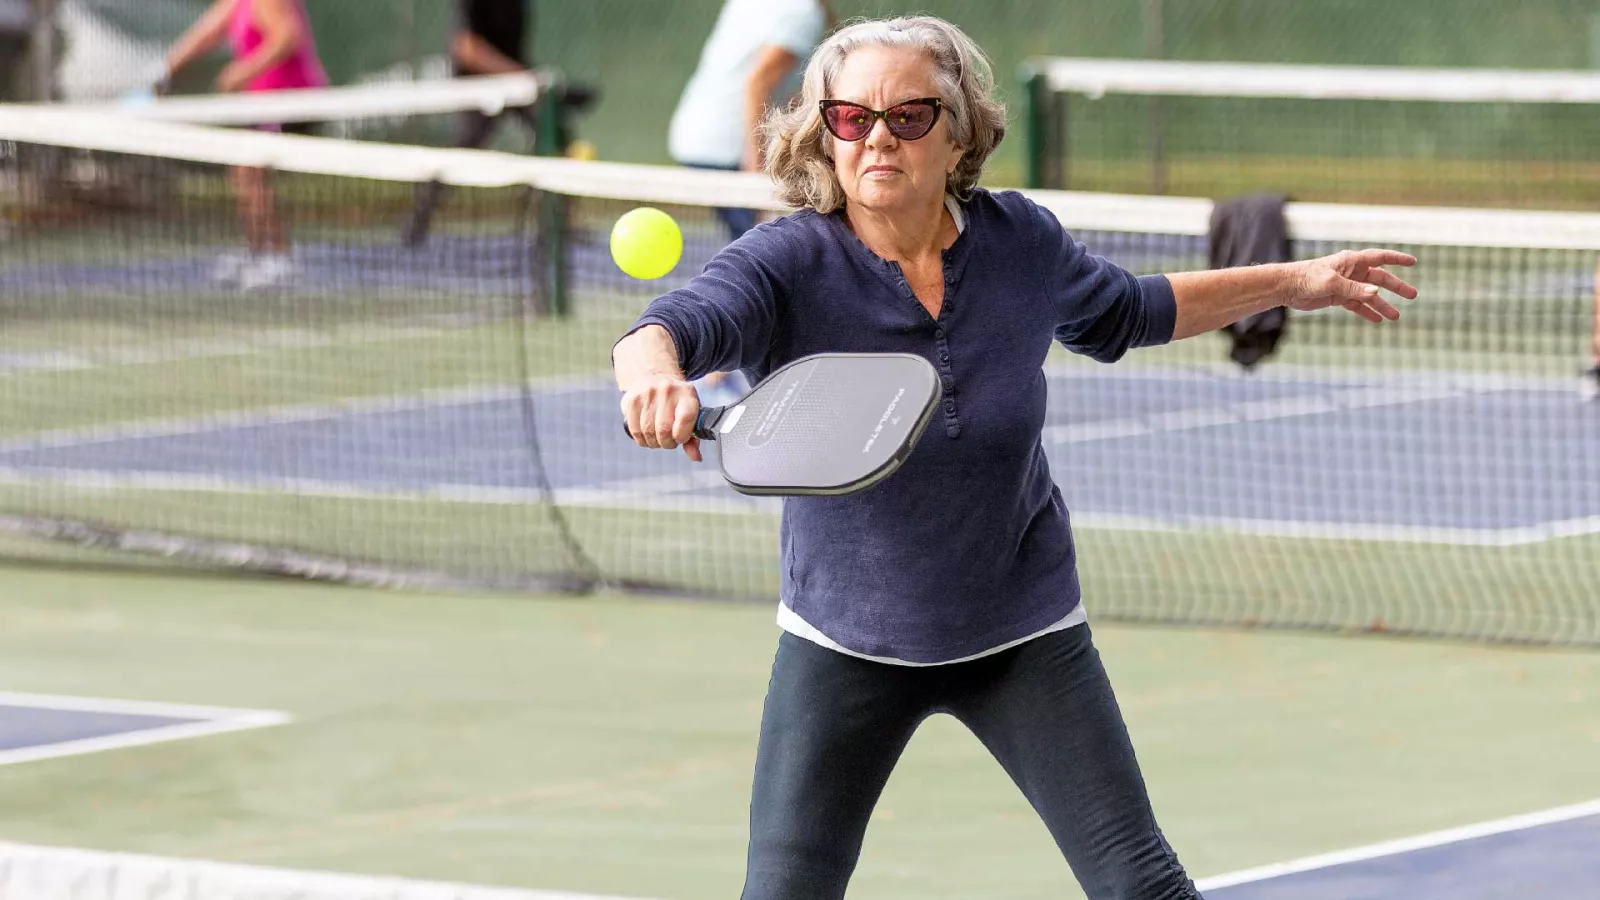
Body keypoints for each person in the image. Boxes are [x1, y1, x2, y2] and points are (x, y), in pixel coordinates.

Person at [612, 15, 1417, 899]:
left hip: (1023, 633)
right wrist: (653, 379)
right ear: (823, 134)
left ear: (955, 131)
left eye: (909, 116)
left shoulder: (1019, 243)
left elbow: (1128, 312)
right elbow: (666, 330)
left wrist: (1295, 280)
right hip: (846, 640)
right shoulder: (785, 262)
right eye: (849, 118)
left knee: (1143, 886)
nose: (877, 136)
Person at [667, 0, 832, 406]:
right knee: (770, 263)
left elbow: (789, 87)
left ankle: (720, 374)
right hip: (730, 149)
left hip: (695, 136)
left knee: (754, 259)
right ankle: (735, 378)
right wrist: (756, 169)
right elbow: (757, 82)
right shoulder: (800, 12)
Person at [164, 0, 327, 290]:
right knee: (243, 171)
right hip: (262, 106)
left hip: (294, 102)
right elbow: (206, 33)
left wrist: (243, 71)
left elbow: (288, 36)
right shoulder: (237, 3)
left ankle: (278, 257)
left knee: (248, 169)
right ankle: (259, 251)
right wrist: (166, 67)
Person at [402, 0, 537, 247]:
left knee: (555, 136)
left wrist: (530, 80)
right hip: (476, 85)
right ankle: (416, 224)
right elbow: (467, 48)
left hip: (516, 81)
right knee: (464, 150)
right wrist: (516, 74)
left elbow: (515, 51)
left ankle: (555, 227)